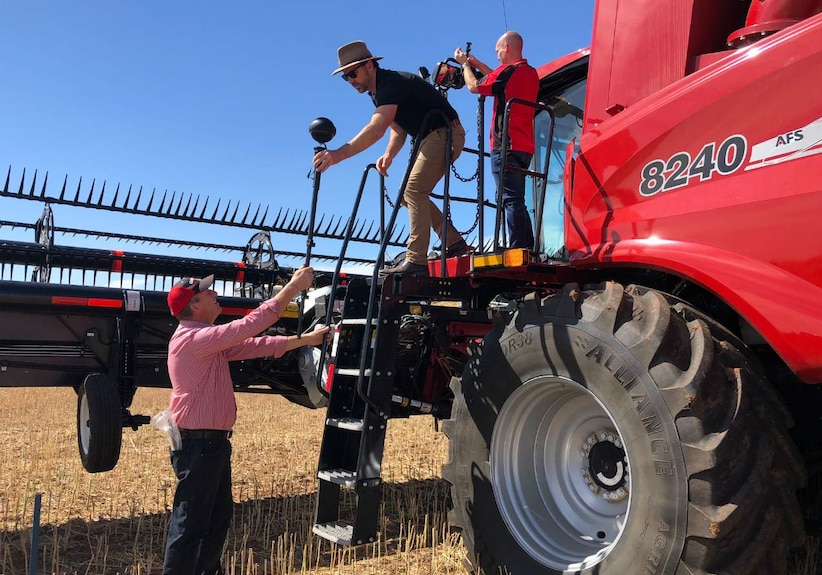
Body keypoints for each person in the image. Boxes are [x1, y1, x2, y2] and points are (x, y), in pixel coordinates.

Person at [161, 267, 329, 575]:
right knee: (190, 525)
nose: (215, 293)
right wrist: (292, 287)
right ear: (195, 306)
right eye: (207, 292)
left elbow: (255, 345)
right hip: (199, 445)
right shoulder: (194, 339)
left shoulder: (205, 342)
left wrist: (306, 339)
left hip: (211, 445)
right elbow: (253, 323)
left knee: (216, 518)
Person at [313, 40, 471, 276]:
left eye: (352, 74)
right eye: (345, 77)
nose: (351, 81)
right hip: (430, 136)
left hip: (445, 133)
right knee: (407, 195)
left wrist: (338, 155)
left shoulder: (390, 84)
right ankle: (455, 242)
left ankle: (416, 261)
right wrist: (389, 155)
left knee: (413, 190)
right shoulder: (378, 94)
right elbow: (397, 127)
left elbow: (377, 127)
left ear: (369, 65)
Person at [454, 31, 539, 249]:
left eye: (498, 50)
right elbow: (498, 79)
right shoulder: (529, 73)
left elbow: (475, 87)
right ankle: (527, 245)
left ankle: (518, 247)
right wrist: (476, 62)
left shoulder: (509, 71)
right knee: (517, 199)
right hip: (524, 147)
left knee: (510, 200)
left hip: (505, 145)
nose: (497, 55)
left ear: (507, 47)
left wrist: (465, 66)